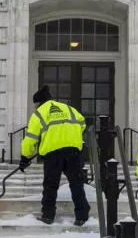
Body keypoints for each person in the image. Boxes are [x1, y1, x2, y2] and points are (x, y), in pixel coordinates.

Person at [19, 85, 90, 226]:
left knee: (51, 185)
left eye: (35, 103)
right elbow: (82, 124)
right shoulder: (68, 108)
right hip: (73, 151)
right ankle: (82, 215)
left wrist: (25, 157)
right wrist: (71, 135)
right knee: (76, 184)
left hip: (53, 154)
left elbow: (31, 137)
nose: (34, 106)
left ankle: (48, 215)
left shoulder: (39, 113)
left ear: (39, 102)